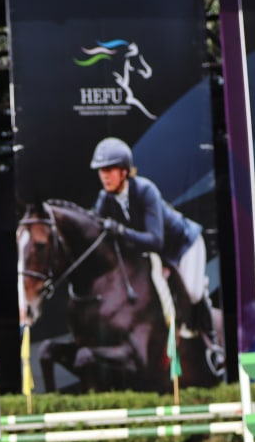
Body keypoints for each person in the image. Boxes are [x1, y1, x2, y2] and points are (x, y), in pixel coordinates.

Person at [89, 137, 219, 348]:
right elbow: (94, 227)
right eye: (101, 170)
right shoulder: (105, 198)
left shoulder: (145, 190)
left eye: (109, 169)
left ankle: (212, 342)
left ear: (124, 171)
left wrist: (121, 231)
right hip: (158, 255)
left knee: (192, 293)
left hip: (184, 245)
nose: (104, 175)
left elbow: (155, 240)